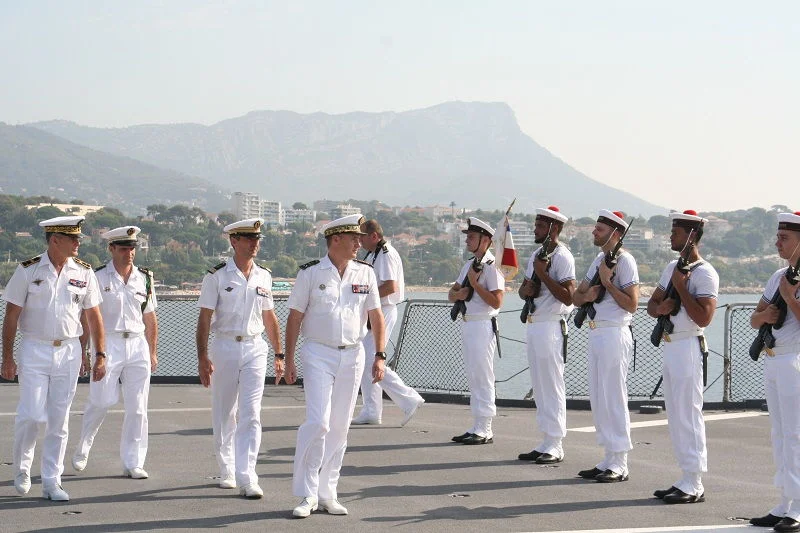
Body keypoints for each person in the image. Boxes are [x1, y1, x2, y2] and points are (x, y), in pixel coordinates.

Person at [284, 214, 386, 518]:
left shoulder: (365, 273)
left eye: (360, 238)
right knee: (319, 422)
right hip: (318, 352)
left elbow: (376, 316)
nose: (359, 243)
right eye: (354, 238)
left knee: (340, 426)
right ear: (336, 239)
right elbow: (294, 318)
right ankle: (306, 493)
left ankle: (328, 492)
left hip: (353, 354)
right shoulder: (310, 274)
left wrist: (379, 355)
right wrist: (288, 359)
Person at [1, 216, 106, 501]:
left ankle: (51, 479)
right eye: (73, 238)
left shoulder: (84, 272)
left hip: (69, 351)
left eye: (79, 238)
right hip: (35, 348)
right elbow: (11, 315)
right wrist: (7, 357)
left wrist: (99, 354)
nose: (78, 243)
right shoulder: (28, 270)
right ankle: (22, 469)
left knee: (59, 420)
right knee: (33, 414)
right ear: (55, 239)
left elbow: (94, 316)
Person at [196, 218, 283, 499]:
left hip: (255, 348)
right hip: (225, 347)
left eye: (257, 239)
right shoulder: (217, 276)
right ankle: (227, 468)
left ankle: (248, 475)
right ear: (234, 241)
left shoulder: (264, 276)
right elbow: (205, 319)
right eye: (248, 239)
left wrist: (280, 354)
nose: (254, 244)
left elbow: (269, 317)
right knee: (225, 412)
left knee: (251, 413)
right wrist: (202, 356)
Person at [71, 226, 159, 480]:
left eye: (132, 248)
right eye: (123, 248)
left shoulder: (144, 278)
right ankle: (85, 444)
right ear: (111, 249)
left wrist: (152, 352)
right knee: (101, 400)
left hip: (137, 344)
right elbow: (88, 318)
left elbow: (150, 318)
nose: (129, 253)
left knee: (138, 408)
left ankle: (134, 462)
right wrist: (83, 352)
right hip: (107, 344)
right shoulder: (97, 277)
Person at [647, 210, 718, 504]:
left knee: (689, 413)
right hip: (670, 343)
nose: (670, 236)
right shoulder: (671, 267)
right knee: (675, 414)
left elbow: (704, 316)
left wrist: (679, 288)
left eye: (675, 232)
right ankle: (685, 476)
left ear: (691, 236)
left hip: (689, 344)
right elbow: (651, 304)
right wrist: (661, 307)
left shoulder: (705, 273)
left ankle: (695, 481)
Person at [572, 210, 639, 483]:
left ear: (615, 233)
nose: (594, 232)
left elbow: (632, 304)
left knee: (613, 396)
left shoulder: (625, 261)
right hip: (596, 332)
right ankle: (608, 457)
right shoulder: (601, 259)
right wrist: (593, 291)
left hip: (614, 332)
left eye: (599, 229)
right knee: (599, 398)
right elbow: (577, 297)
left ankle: (620, 461)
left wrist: (608, 282)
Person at [748, 211, 800, 532]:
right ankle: (785, 501)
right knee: (779, 434)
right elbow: (755, 319)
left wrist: (788, 299)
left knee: (796, 434)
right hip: (773, 358)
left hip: (795, 359)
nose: (777, 242)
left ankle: (799, 507)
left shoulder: (786, 284)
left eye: (785, 238)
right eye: (778, 236)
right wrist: (768, 312)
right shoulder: (778, 275)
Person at [351, 219, 425, 427]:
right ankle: (372, 410)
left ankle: (409, 398)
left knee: (371, 360)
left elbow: (390, 286)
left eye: (362, 237)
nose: (359, 241)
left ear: (374, 236)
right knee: (366, 360)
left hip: (383, 310)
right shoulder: (374, 254)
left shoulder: (386, 254)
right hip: (376, 310)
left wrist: (366, 300)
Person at [517, 206, 575, 464]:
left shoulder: (563, 256)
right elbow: (523, 290)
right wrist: (526, 288)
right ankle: (546, 438)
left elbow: (568, 295)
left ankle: (556, 443)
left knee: (552, 384)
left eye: (540, 226)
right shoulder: (536, 255)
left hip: (552, 323)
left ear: (554, 229)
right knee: (539, 385)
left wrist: (542, 274)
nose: (534, 229)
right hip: (534, 322)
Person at [448, 217, 505, 446]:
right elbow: (452, 293)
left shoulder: (491, 267)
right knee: (474, 375)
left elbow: (497, 301)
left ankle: (486, 427)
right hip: (469, 322)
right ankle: (477, 424)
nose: (467, 241)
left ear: (485, 240)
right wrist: (459, 294)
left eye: (471, 237)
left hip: (483, 323)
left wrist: (476, 284)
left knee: (483, 375)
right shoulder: (469, 265)